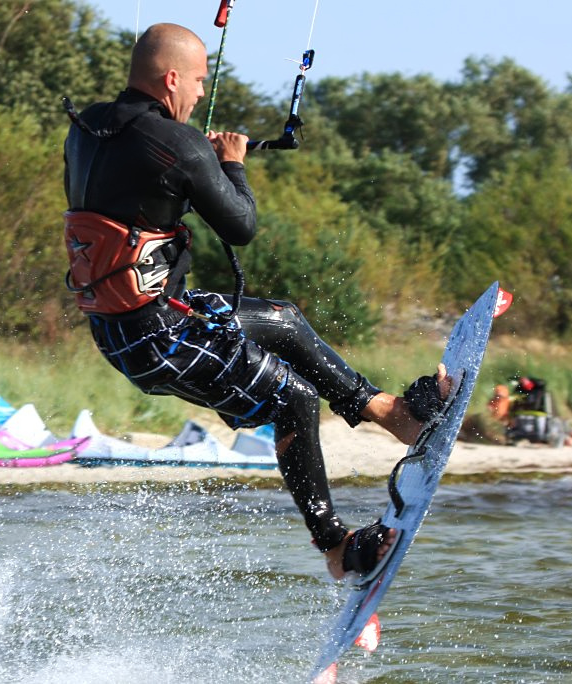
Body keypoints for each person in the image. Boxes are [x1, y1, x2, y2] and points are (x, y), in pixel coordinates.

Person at [62, 23, 451, 580]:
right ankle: (336, 548)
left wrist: (195, 167)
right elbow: (241, 226)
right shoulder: (178, 143)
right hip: (156, 337)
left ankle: (395, 416)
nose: (199, 94)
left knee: (284, 321)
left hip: (140, 323)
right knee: (292, 398)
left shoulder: (85, 128)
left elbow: (133, 192)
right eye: (195, 82)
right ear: (171, 78)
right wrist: (231, 165)